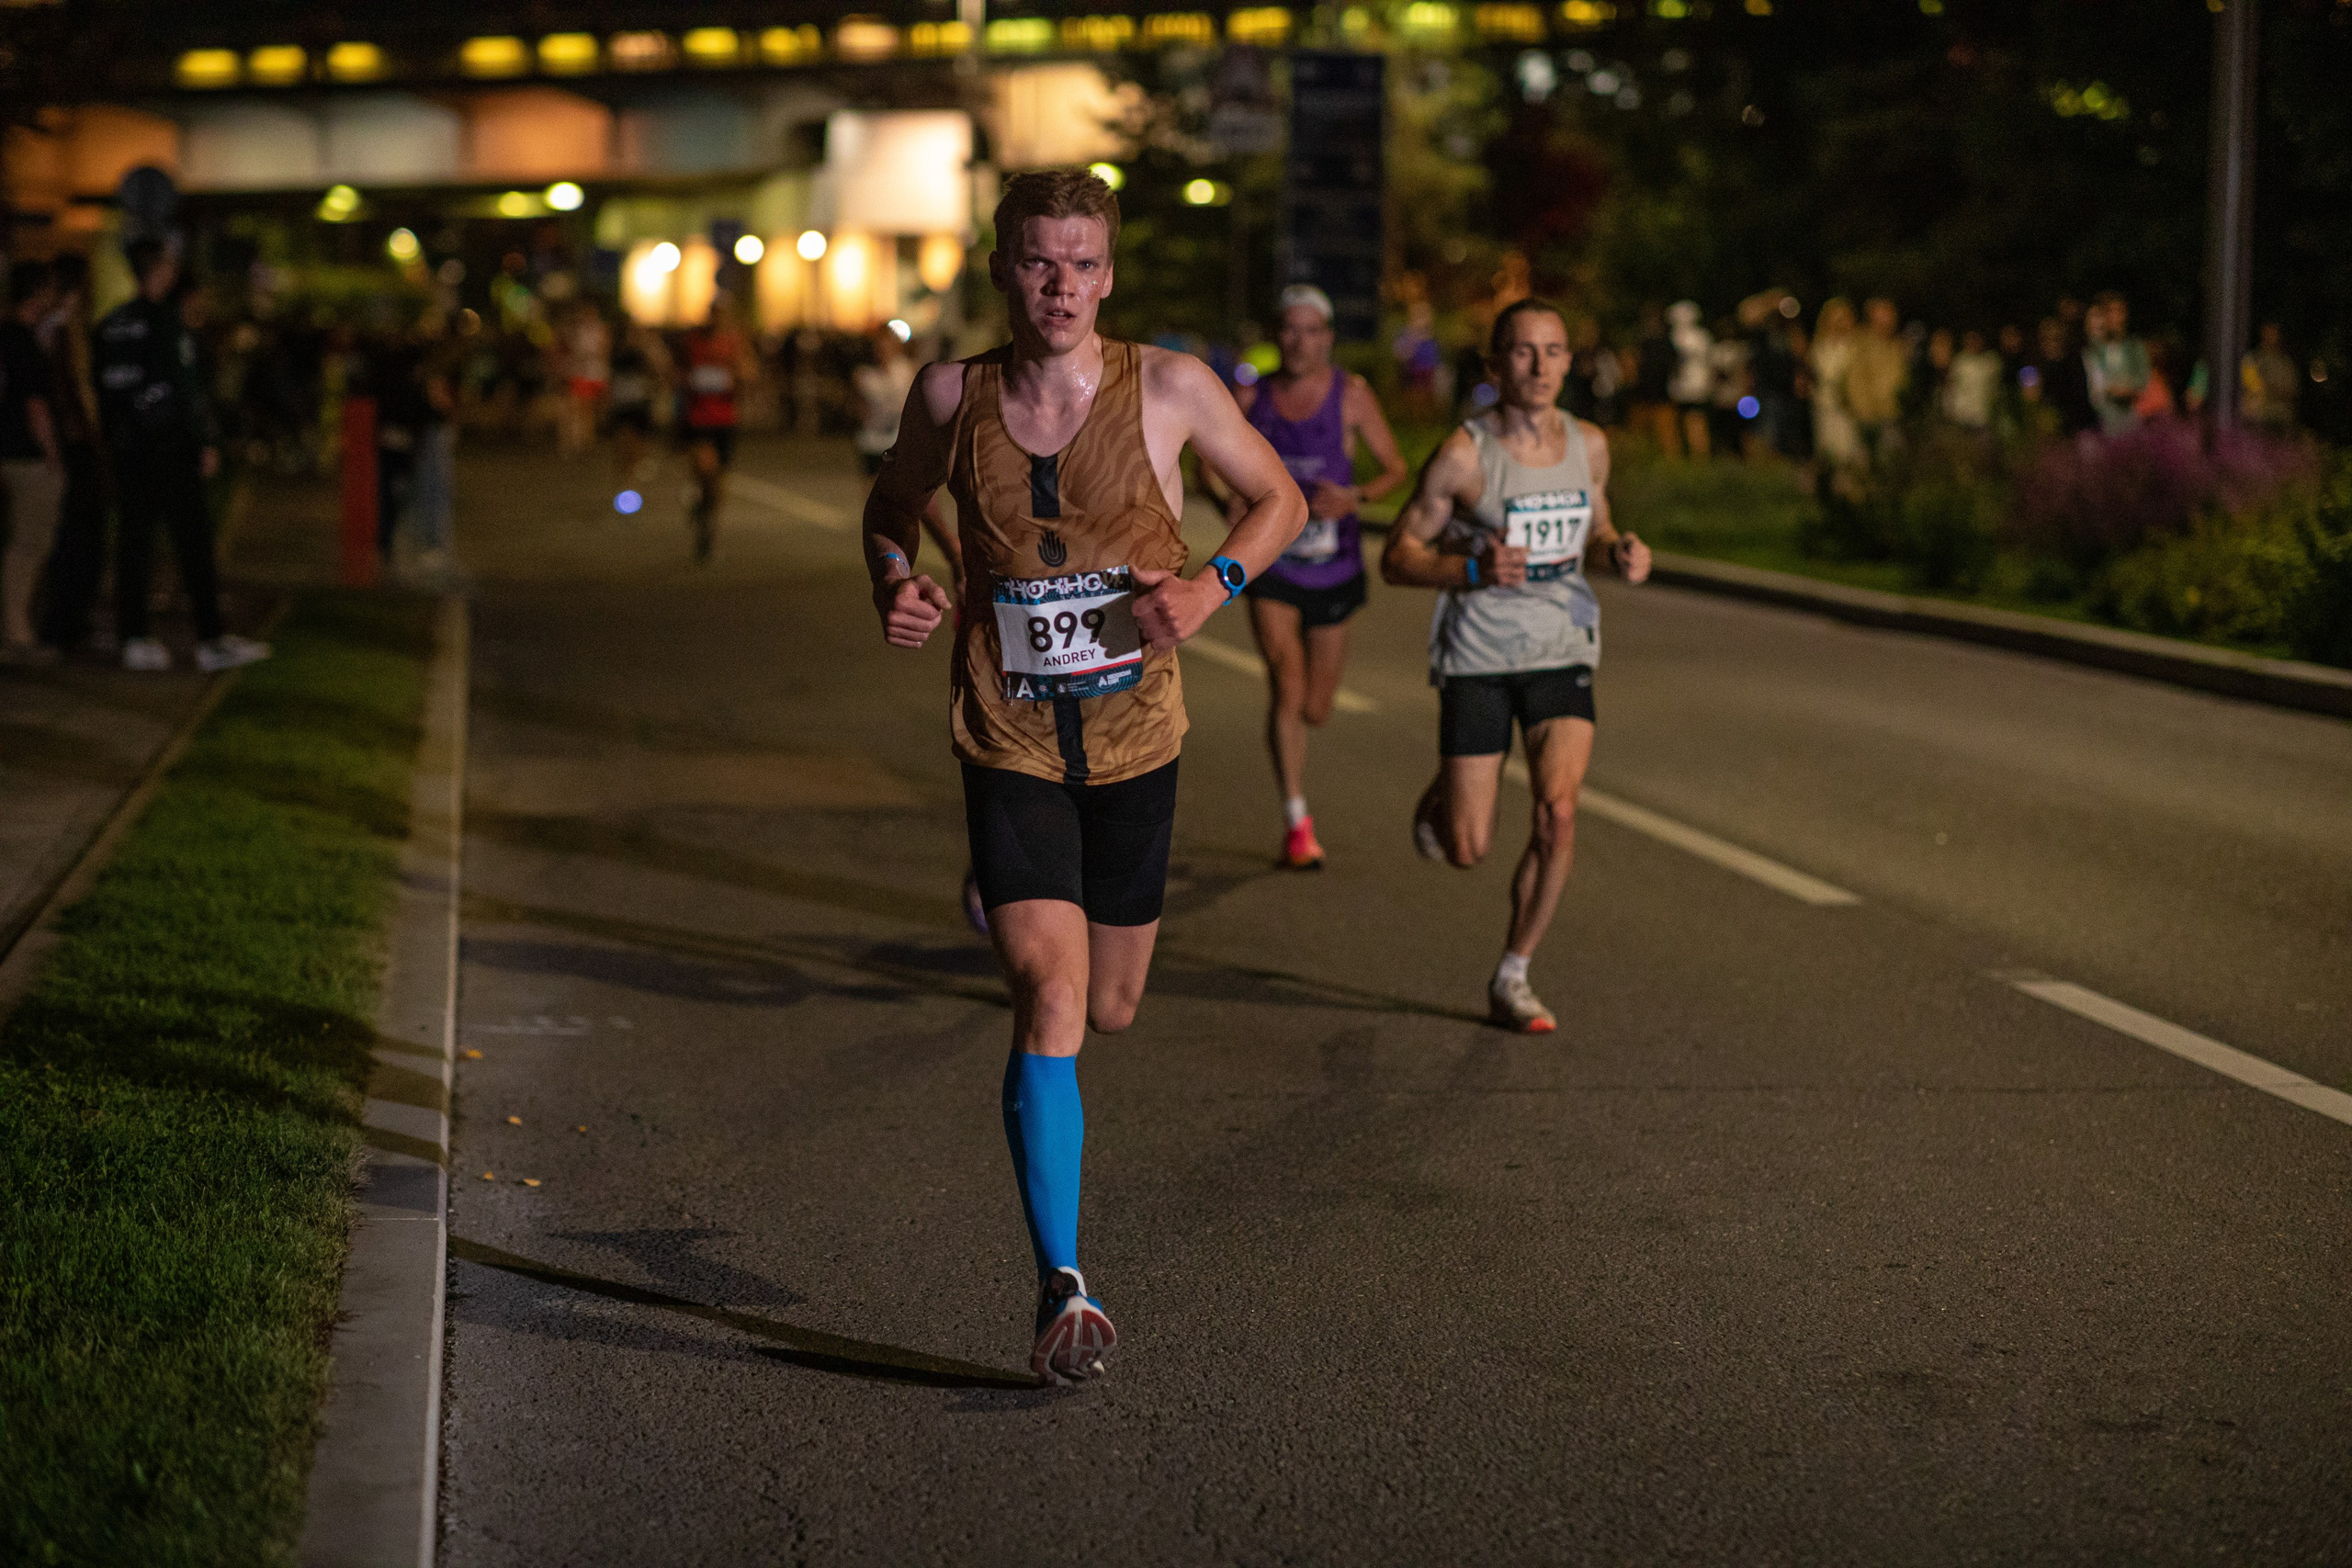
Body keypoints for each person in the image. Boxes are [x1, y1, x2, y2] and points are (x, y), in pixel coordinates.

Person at [860, 168, 1305, 1383]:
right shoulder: (953, 394)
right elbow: (890, 505)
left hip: (1136, 744)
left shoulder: (1167, 387)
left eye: (1082, 263)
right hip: (1005, 739)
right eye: (1038, 260)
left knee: (1111, 1006)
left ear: (1108, 275)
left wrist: (1214, 583)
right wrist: (894, 579)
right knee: (1050, 1001)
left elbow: (1280, 498)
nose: (1060, 283)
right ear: (1003, 265)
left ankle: (1043, 962)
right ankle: (1063, 1279)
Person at [1380, 299, 1652, 1033]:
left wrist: (1618, 549)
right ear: (1497, 365)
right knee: (1467, 849)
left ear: (1570, 361)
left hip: (1562, 644)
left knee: (1557, 813)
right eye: (1524, 353)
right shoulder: (1465, 456)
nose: (1540, 367)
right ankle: (1445, 793)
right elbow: (1396, 559)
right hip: (1478, 654)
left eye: (1554, 351)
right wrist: (1470, 566)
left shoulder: (1589, 445)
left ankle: (1514, 973)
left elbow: (1595, 526)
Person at [1223, 282, 1408, 868]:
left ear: (1327, 337)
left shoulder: (1351, 395)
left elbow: (1395, 468)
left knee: (1317, 707)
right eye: (1288, 329)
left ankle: (1297, 805)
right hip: (1272, 561)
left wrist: (1354, 498)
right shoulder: (1253, 398)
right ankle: (1297, 821)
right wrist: (1231, 500)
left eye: (1310, 330)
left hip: (1334, 564)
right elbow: (1209, 462)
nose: (1298, 341)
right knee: (1287, 683)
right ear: (1277, 335)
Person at [94, 241, 267, 674]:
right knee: (192, 542)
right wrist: (204, 440)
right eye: (169, 263)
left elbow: (108, 390)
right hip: (170, 449)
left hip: (131, 450)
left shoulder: (112, 323)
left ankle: (134, 636)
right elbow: (184, 388)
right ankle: (209, 638)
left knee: (135, 541)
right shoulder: (166, 323)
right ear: (158, 269)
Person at [35, 253, 106, 656]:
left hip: (74, 444)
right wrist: (89, 441)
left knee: (76, 538)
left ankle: (69, 620)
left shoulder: (60, 326)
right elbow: (70, 392)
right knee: (78, 538)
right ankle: (65, 623)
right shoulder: (63, 328)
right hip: (75, 446)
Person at [1, 258, 64, 664]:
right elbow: (35, 405)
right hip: (25, 457)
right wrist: (52, 452)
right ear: (39, 293)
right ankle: (16, 634)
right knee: (27, 547)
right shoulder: (24, 342)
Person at [677, 291, 756, 562]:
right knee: (705, 470)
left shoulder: (735, 344)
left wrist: (737, 372)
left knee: (718, 485)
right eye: (714, 314)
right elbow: (678, 373)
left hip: (725, 420)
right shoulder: (693, 341)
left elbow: (749, 373)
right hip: (698, 419)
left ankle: (707, 528)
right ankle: (702, 507)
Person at [605, 320, 668, 503]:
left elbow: (660, 374)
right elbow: (609, 375)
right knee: (623, 445)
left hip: (640, 404)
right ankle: (625, 484)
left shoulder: (647, 351)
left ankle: (631, 485)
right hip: (621, 404)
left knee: (638, 448)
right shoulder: (616, 350)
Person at [1844, 297, 1907, 459]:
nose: (1890, 318)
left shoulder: (1895, 345)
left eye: (1891, 313)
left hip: (1892, 413)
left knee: (1891, 462)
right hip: (1870, 417)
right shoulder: (1862, 344)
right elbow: (1856, 381)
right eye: (1885, 313)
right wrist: (1864, 412)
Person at [852, 325, 919, 477]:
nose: (883, 351)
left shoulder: (908, 370)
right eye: (879, 347)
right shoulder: (864, 375)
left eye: (887, 345)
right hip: (872, 439)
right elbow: (857, 405)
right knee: (873, 486)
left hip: (899, 440)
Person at [1808, 298, 1861, 471]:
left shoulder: (1856, 345)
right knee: (1830, 452)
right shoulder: (1820, 346)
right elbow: (1822, 373)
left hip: (1851, 408)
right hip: (1825, 406)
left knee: (1851, 453)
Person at [2084, 292, 2148, 434]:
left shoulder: (2134, 348)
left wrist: (2122, 389)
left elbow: (2142, 383)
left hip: (2131, 422)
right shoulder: (2093, 351)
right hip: (2102, 424)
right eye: (2109, 312)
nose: (2114, 317)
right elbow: (2095, 389)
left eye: (2118, 312)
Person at [2025, 316, 2098, 436]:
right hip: (2049, 429)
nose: (2052, 343)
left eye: (2056, 338)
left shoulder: (2076, 362)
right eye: (2046, 338)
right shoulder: (2033, 366)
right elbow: (2030, 397)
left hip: (2079, 427)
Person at [1941, 329, 2003, 432]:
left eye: (1975, 339)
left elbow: (1996, 388)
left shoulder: (1991, 361)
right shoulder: (1959, 361)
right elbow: (1950, 387)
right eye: (1969, 339)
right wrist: (1948, 410)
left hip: (1983, 419)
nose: (1972, 342)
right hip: (1961, 416)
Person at [2244, 322, 2300, 430]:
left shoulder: (2285, 364)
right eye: (2268, 332)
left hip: (2280, 418)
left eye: (2274, 332)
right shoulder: (2253, 359)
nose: (2271, 336)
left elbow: (2291, 392)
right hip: (2257, 417)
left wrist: (2270, 389)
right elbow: (2250, 387)